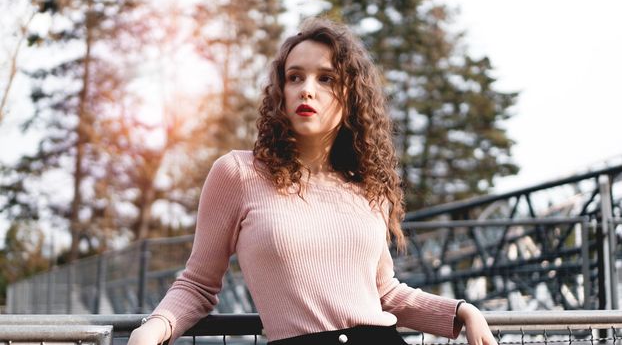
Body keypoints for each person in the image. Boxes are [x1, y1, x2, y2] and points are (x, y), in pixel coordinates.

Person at [128, 17, 497, 345]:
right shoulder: (238, 173)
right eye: (295, 77)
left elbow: (384, 292)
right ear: (281, 91)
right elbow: (198, 284)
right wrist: (155, 327)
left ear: (350, 95)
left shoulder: (366, 188)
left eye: (326, 79)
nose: (307, 89)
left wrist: (462, 311)